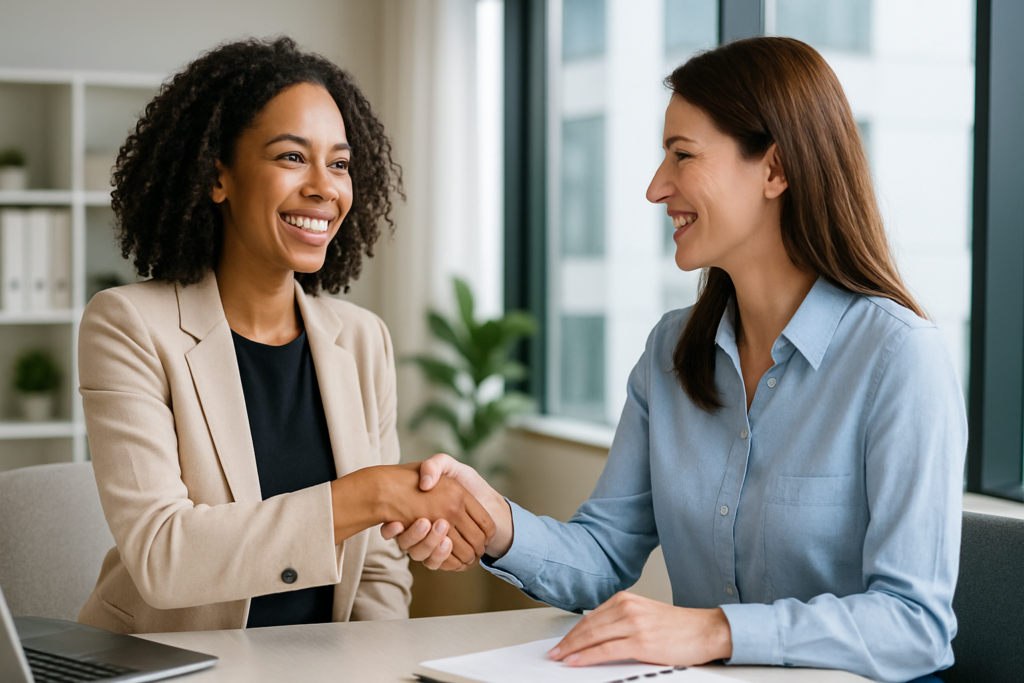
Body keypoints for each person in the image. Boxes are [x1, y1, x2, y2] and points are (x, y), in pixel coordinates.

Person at [383, 37, 966, 683]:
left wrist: (711, 629)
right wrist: (496, 520)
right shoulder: (670, 351)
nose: (657, 188)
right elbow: (604, 554)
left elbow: (915, 624)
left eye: (682, 155)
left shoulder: (899, 357)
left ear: (775, 170)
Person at [77, 37, 493, 634]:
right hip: (164, 665)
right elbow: (163, 556)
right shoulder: (128, 326)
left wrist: (371, 669)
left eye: (341, 163)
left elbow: (376, 568)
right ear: (218, 176)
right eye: (292, 157)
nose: (325, 186)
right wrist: (369, 495)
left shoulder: (362, 339)